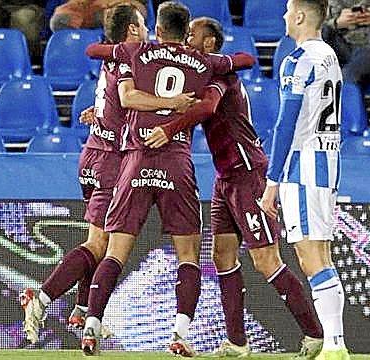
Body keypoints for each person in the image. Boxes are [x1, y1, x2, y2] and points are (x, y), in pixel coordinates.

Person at [144, 16, 324, 359]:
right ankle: (238, 342)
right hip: (224, 177)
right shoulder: (200, 74)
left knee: (265, 259)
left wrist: (168, 129)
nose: (186, 39)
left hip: (248, 174)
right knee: (222, 256)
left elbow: (209, 107)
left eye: (192, 35)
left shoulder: (219, 76)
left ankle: (315, 334)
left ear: (209, 43)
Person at [81, 1, 255, 356]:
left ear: (157, 30)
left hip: (135, 158)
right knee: (188, 255)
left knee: (115, 251)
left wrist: (119, 49)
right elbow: (245, 60)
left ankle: (91, 326)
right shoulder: (204, 62)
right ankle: (179, 333)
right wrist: (221, 63)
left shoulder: (138, 52)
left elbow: (92, 50)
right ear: (186, 31)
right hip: (177, 160)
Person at [18, 4, 196, 346]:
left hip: (92, 154)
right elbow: (128, 98)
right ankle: (40, 299)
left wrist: (100, 112)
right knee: (100, 244)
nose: (147, 31)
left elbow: (114, 97)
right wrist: (173, 104)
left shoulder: (114, 57)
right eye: (143, 25)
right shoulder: (133, 56)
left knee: (98, 242)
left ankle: (84, 311)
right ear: (131, 31)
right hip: (112, 161)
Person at [260, 1, 349, 359]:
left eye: (287, 10)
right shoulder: (330, 56)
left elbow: (286, 124)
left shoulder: (297, 61)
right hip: (328, 160)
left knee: (311, 256)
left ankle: (334, 345)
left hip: (304, 164)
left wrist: (272, 180)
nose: (283, 17)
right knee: (320, 255)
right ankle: (335, 344)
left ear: (299, 16)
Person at [321, 0, 370, 88]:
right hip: (342, 46)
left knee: (347, 74)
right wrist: (337, 23)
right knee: (324, 30)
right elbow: (315, 28)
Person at [50, 0, 146, 33]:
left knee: (118, 14)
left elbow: (140, 6)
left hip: (122, 7)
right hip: (89, 9)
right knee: (60, 19)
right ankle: (79, 44)